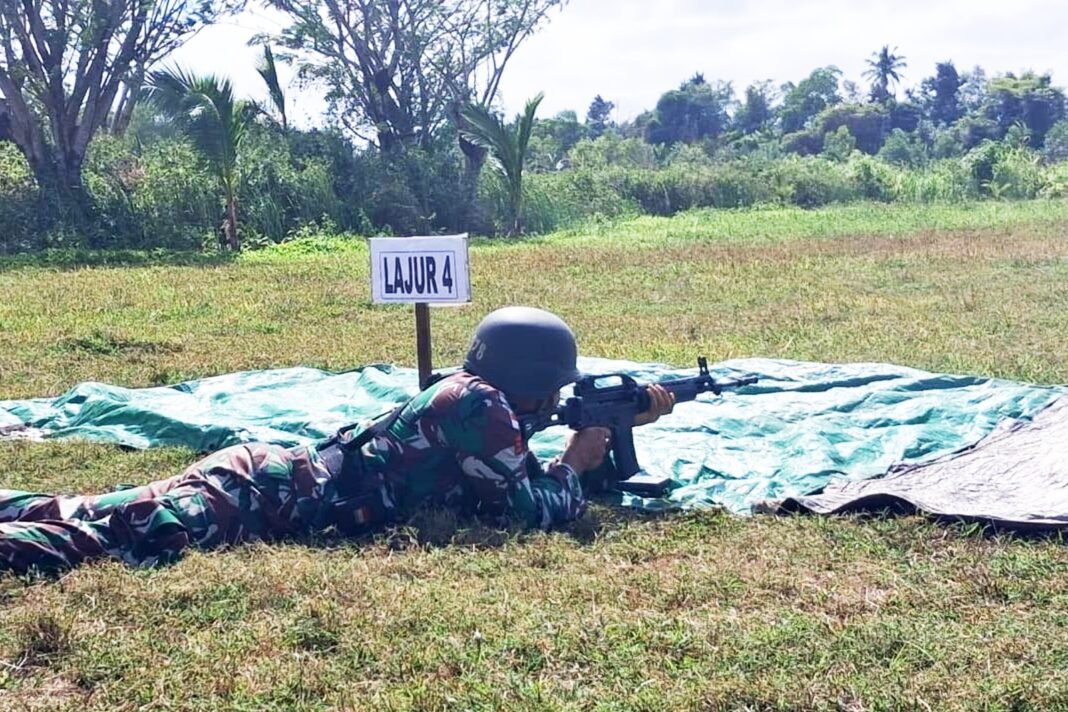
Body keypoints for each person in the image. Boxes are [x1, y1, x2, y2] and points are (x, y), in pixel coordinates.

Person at [0, 306, 674, 573]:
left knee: (93, 508)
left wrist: (620, 415)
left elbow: (501, 453)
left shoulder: (473, 392)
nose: (559, 400)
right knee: (119, 538)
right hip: (263, 498)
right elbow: (529, 509)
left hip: (261, 477)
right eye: (555, 389)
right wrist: (580, 462)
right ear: (529, 380)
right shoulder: (479, 407)